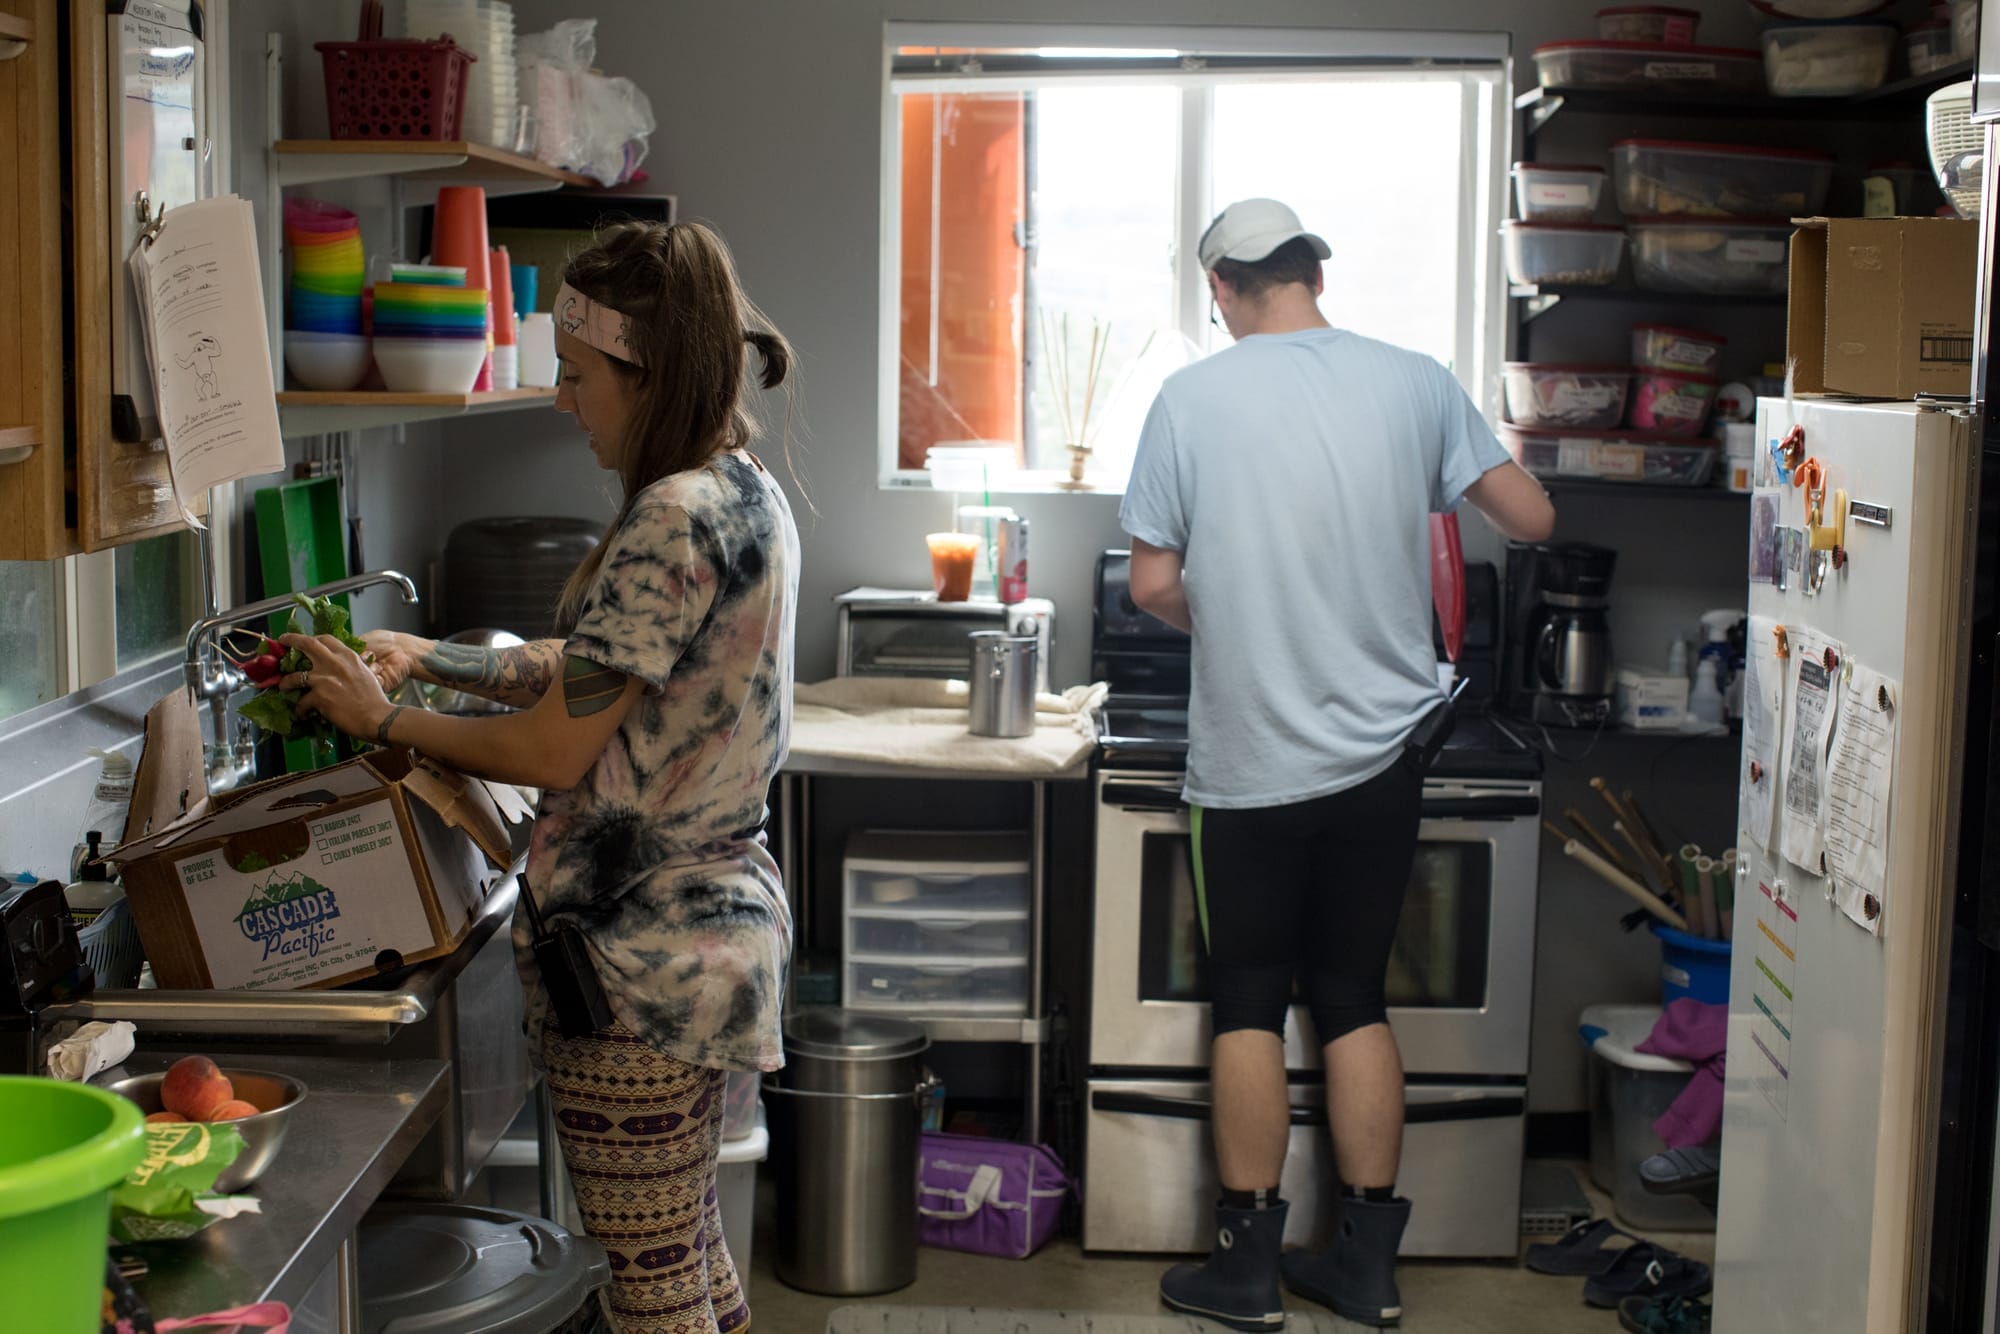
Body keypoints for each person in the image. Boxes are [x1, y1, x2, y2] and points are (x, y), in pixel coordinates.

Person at [281, 220, 801, 1334]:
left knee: (652, 1288)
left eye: (576, 375)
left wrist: (391, 717)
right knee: (688, 1260)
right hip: (703, 942)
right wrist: (437, 658)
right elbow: (603, 669)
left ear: (642, 372)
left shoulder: (669, 514)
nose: (564, 400)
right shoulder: (736, 483)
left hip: (637, 967)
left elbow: (559, 747)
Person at [1124, 199, 1555, 1332]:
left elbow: (1152, 585)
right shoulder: (1413, 379)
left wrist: (1244, 610)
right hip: (1385, 754)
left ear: (1220, 287)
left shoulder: (1189, 398)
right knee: (1353, 996)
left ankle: (1245, 1268)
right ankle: (1363, 1266)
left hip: (1254, 756)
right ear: (1311, 270)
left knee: (1250, 1002)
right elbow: (1531, 515)